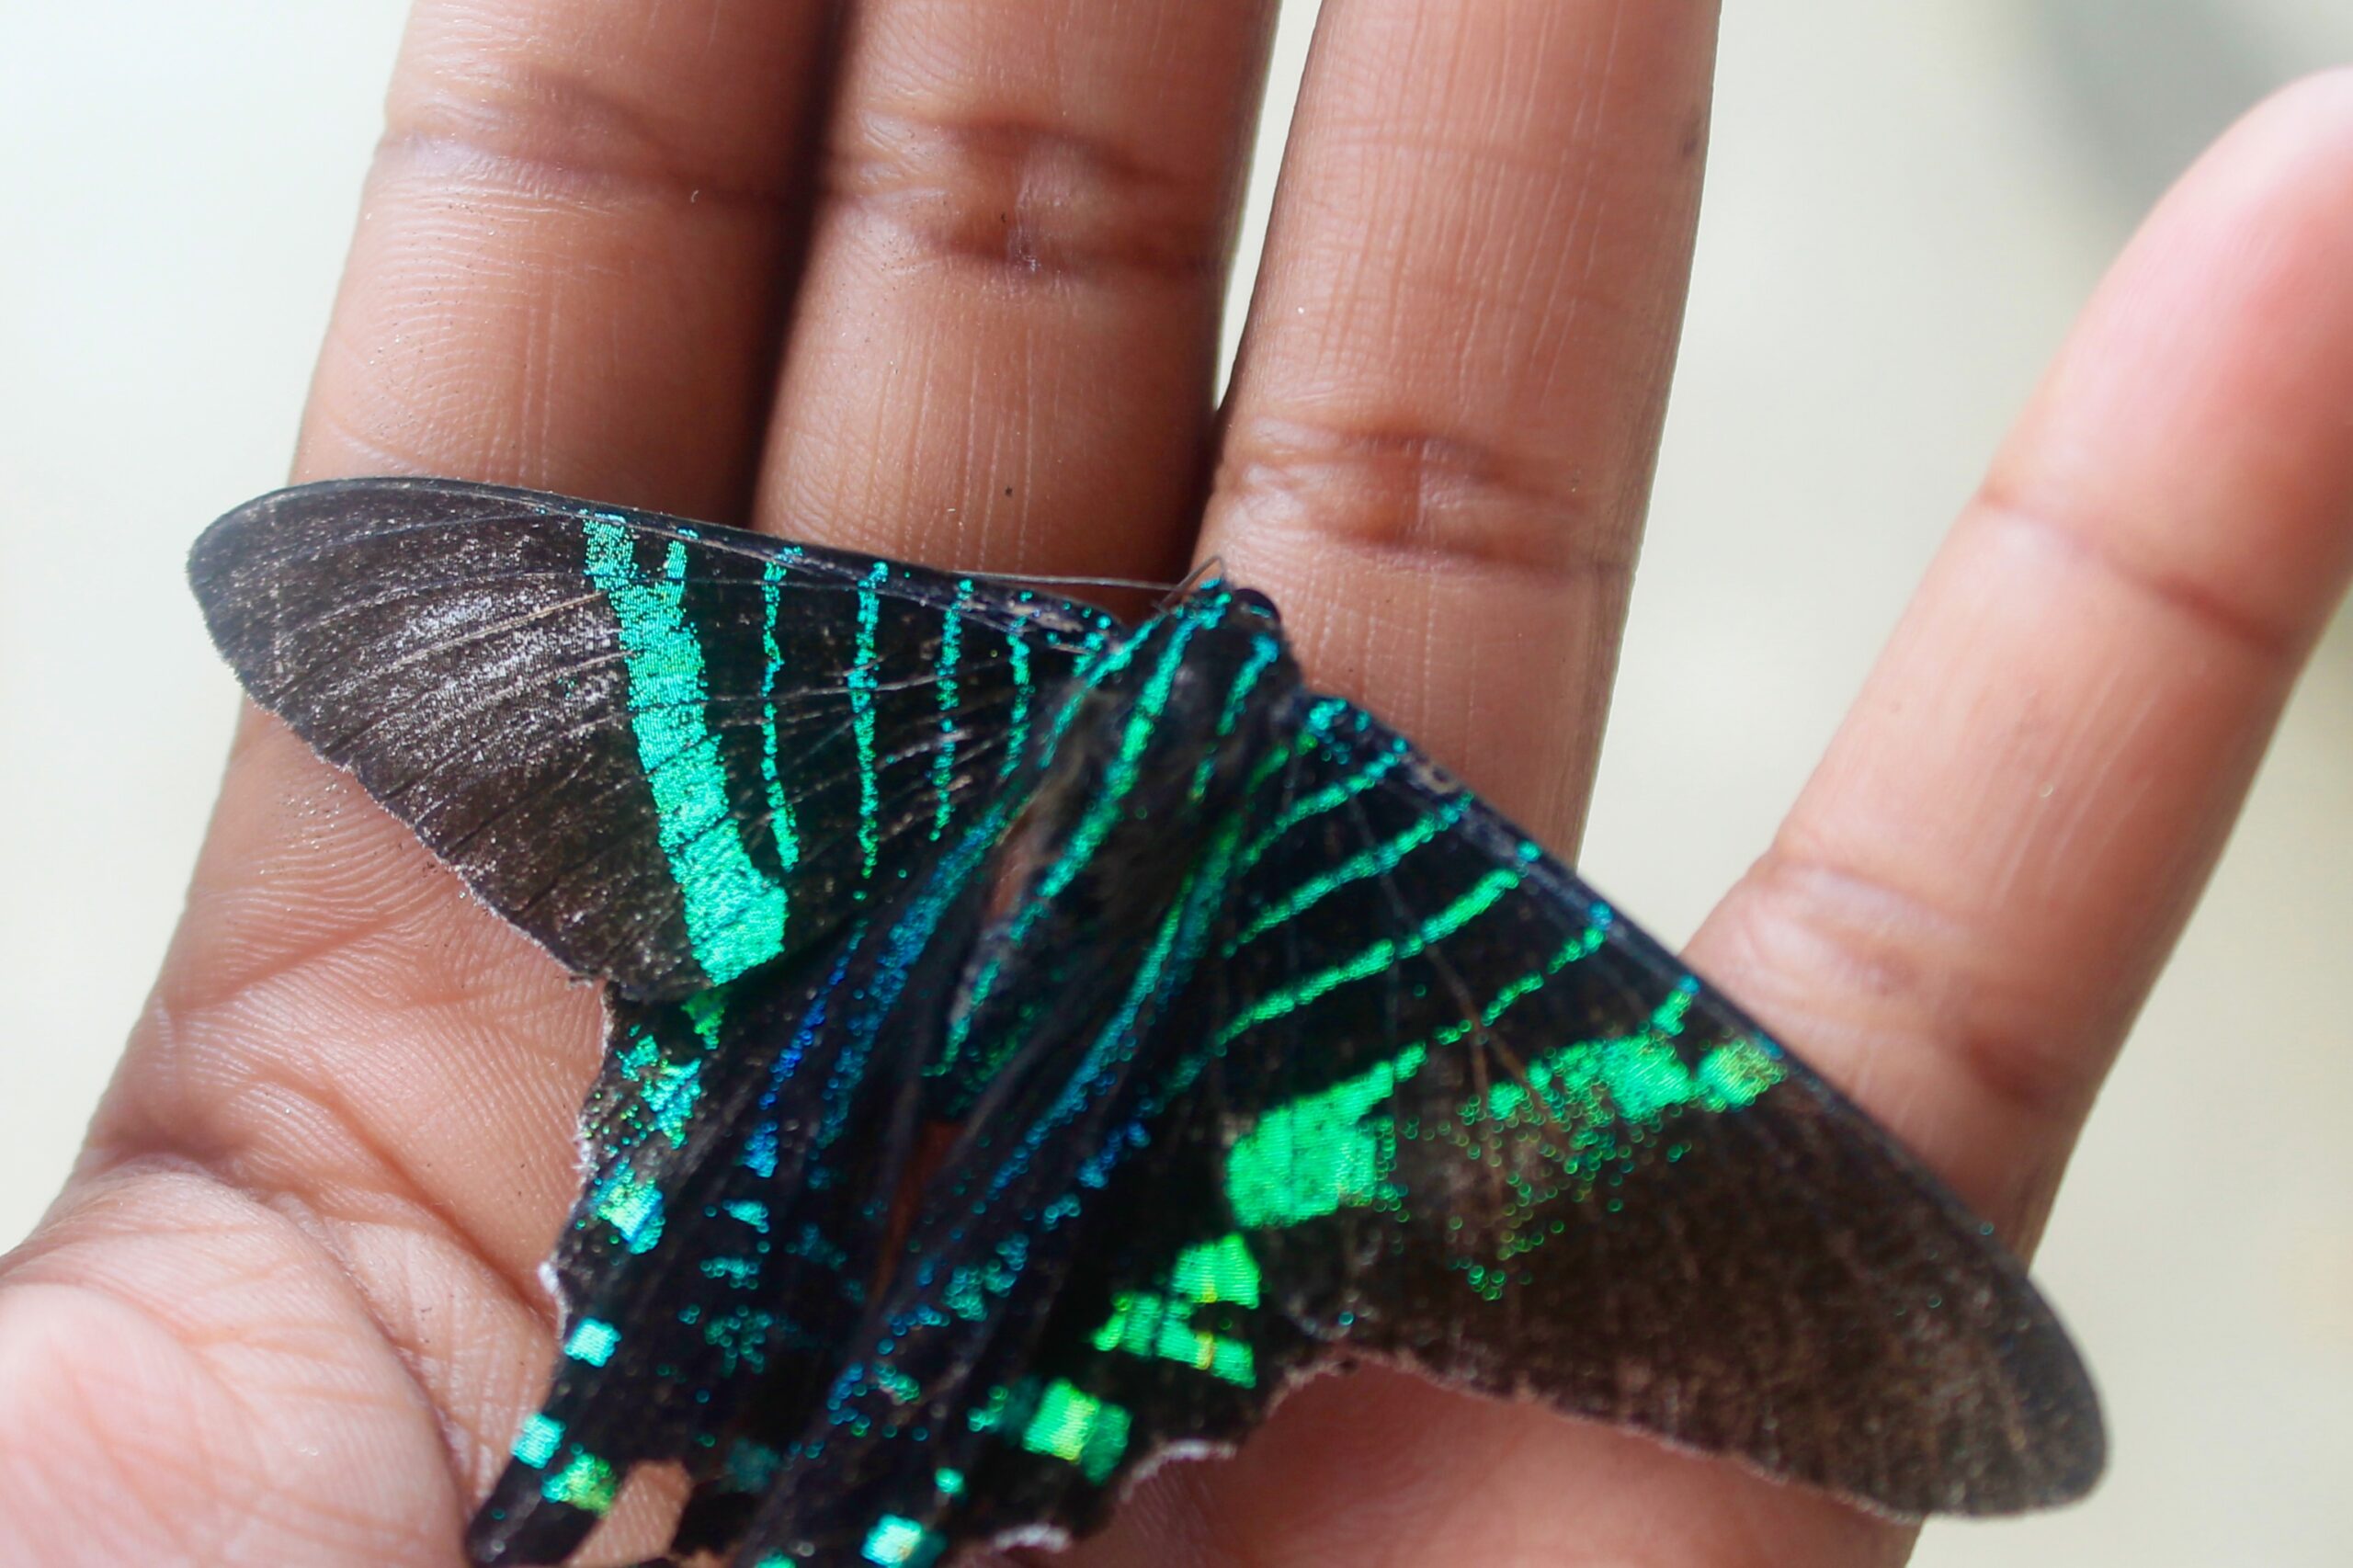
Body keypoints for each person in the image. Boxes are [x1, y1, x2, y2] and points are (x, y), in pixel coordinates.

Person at [5, 5, 2349, 1564]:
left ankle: (630, 1431)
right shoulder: (1388, 882)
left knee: (734, 1213)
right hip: (1069, 1132)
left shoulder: (911, 679)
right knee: (904, 1338)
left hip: (838, 1033)